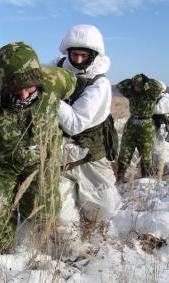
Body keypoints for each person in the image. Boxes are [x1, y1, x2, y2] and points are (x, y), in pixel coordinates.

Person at [0, 41, 80, 254]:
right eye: (16, 90)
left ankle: (33, 251)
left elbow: (74, 81)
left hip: (40, 160)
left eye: (30, 88)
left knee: (43, 211)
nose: (24, 96)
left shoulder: (56, 80)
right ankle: (2, 265)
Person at [50, 24, 121, 225]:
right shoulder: (55, 68)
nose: (79, 60)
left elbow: (74, 124)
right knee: (61, 215)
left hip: (90, 151)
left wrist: (51, 96)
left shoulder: (99, 84)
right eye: (75, 55)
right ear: (68, 53)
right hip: (59, 152)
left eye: (84, 55)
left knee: (103, 210)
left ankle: (96, 236)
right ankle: (69, 250)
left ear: (93, 55)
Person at [116, 73, 164, 182]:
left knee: (146, 155)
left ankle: (145, 180)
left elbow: (159, 87)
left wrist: (148, 80)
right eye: (135, 86)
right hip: (132, 124)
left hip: (146, 126)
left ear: (144, 86)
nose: (137, 88)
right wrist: (131, 81)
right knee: (125, 152)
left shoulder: (151, 94)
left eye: (139, 86)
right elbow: (120, 86)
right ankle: (120, 177)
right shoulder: (131, 94)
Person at [152, 81, 169, 173]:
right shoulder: (157, 98)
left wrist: (144, 106)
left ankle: (159, 169)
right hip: (155, 125)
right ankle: (154, 168)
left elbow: (157, 110)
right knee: (153, 148)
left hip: (161, 127)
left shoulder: (164, 99)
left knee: (158, 148)